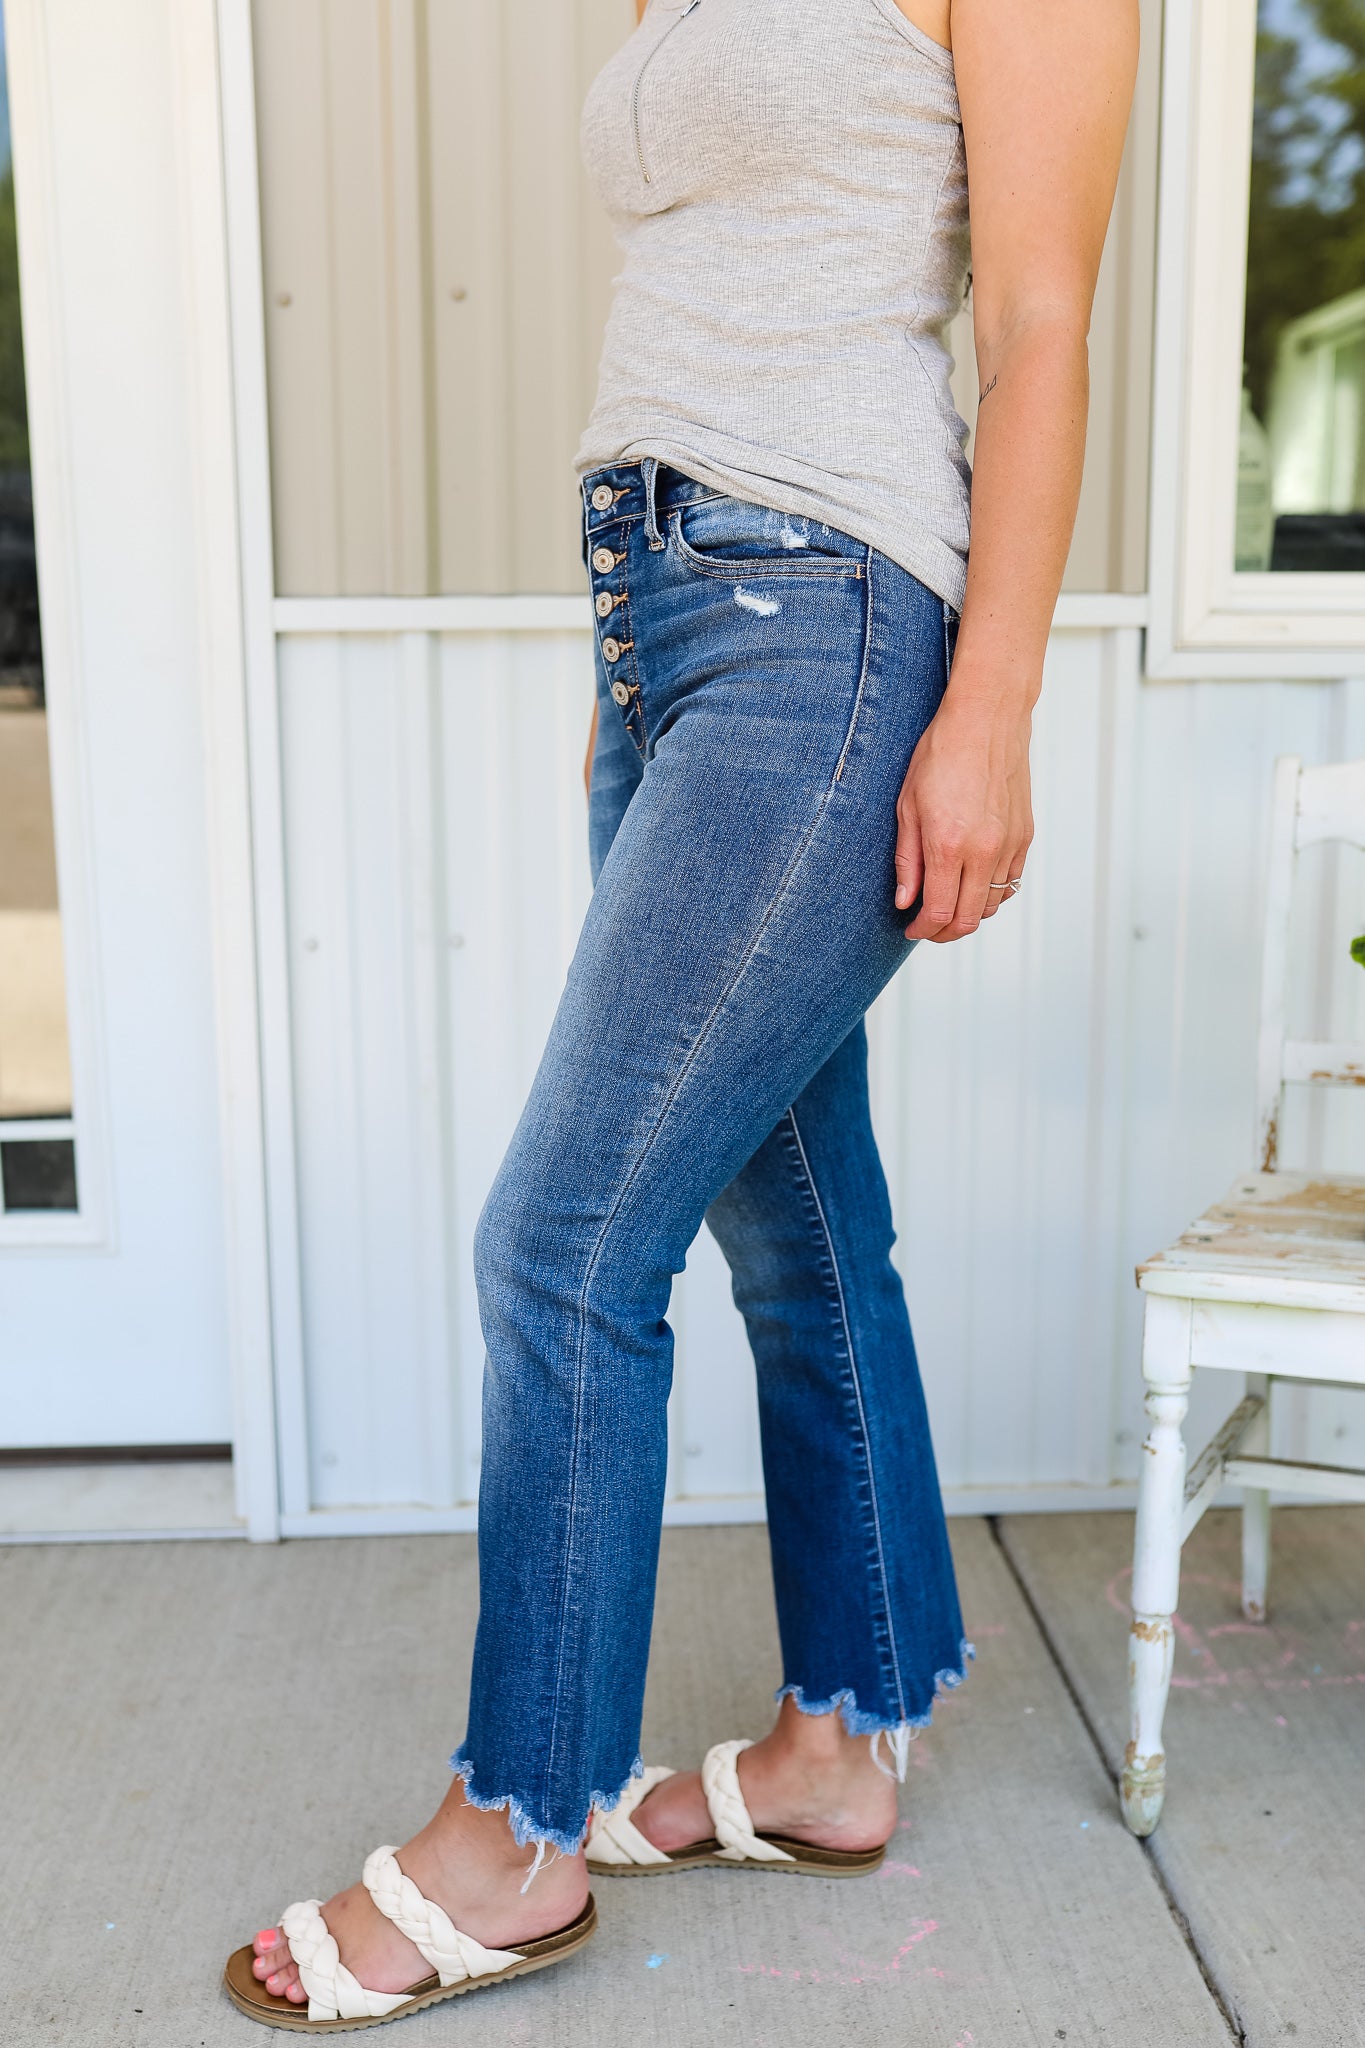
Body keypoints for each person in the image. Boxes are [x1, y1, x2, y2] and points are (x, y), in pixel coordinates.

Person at [225, 0, 1138, 2027]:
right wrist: (622, 689)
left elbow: (1037, 322)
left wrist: (991, 710)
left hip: (829, 623)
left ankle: (515, 1829)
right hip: (663, 637)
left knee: (562, 1245)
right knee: (798, 1231)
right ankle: (837, 1749)